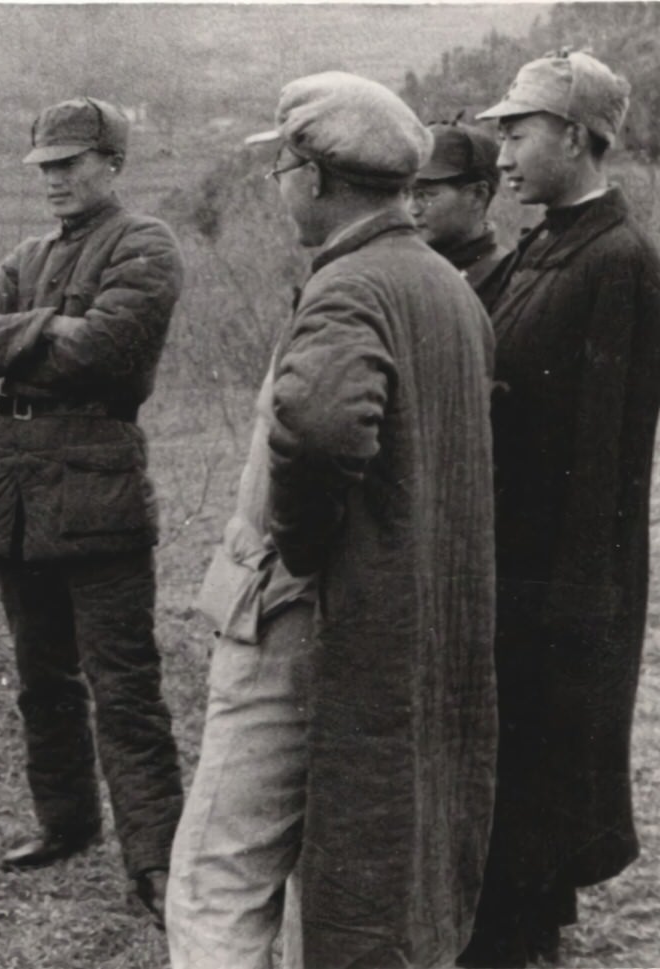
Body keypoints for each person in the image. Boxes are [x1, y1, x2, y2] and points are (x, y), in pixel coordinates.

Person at [166, 73, 497, 969]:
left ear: (312, 177)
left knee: (218, 875)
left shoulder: (349, 288)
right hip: (393, 623)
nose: (278, 186)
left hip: (305, 616)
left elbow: (316, 437)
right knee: (339, 872)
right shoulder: (447, 287)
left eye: (282, 167)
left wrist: (298, 552)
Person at [0, 96, 184, 921]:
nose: (54, 179)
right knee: (40, 675)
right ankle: (66, 820)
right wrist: (51, 322)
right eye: (45, 166)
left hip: (97, 487)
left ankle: (156, 859)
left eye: (70, 164)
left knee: (123, 684)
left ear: (112, 164)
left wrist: (27, 333)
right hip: (14, 487)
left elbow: (106, 349)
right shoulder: (28, 252)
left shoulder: (146, 243)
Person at [460, 50, 660, 969]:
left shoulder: (619, 261)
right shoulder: (545, 241)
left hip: (556, 583)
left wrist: (575, 604)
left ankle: (520, 943)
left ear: (576, 137)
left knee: (541, 774)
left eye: (518, 131)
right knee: (512, 772)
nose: (501, 153)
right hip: (510, 562)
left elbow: (607, 456)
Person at [407, 120, 512, 305]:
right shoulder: (399, 267)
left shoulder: (506, 280)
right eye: (405, 193)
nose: (411, 209)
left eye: (425, 195)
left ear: (477, 196)